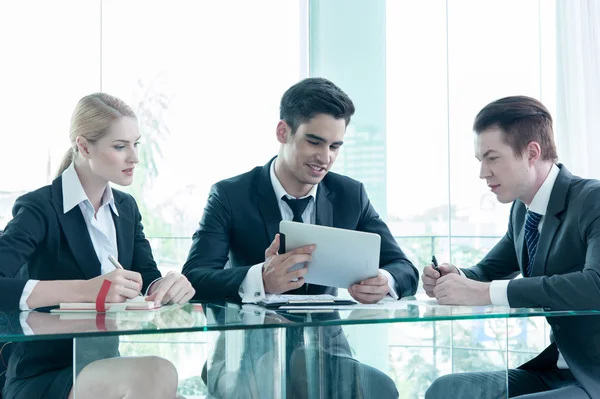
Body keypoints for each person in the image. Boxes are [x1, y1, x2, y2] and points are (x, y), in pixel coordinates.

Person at [0, 93, 195, 399]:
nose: (135, 158)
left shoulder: (126, 209)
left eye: (136, 144)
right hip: (44, 375)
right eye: (120, 146)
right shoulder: (40, 207)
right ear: (83, 146)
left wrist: (168, 286)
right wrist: (87, 289)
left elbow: (146, 279)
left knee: (163, 382)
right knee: (158, 373)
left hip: (105, 369)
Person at [182, 77, 419, 304]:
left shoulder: (350, 195)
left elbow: (404, 269)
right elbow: (195, 276)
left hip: (329, 342)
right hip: (254, 339)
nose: (325, 157)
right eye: (314, 142)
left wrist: (384, 281)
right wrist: (261, 279)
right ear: (283, 132)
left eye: (335, 146)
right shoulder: (230, 195)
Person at [423, 96, 600, 398]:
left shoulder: (592, 200)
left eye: (492, 158)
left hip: (592, 375)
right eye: (480, 160)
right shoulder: (522, 211)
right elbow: (488, 271)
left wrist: (484, 291)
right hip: (554, 370)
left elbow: (595, 285)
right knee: (447, 389)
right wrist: (454, 276)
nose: (483, 173)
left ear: (532, 152)